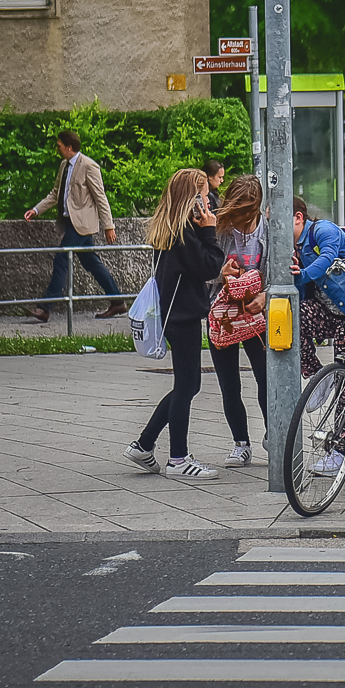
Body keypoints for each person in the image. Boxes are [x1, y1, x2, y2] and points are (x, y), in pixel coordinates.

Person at [123, 169, 226, 480]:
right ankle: (178, 458)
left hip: (175, 314)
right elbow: (209, 266)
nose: (210, 202)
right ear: (192, 199)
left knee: (187, 384)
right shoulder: (185, 234)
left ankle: (144, 443)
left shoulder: (172, 229)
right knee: (186, 386)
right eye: (206, 195)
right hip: (182, 316)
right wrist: (211, 231)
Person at [25, 129, 128, 322]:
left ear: (69, 147)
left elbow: (100, 197)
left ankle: (45, 308)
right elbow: (55, 194)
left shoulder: (89, 166)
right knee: (92, 264)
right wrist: (36, 210)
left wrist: (109, 225)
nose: (57, 148)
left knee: (61, 259)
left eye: (59, 146)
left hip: (81, 225)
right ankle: (117, 301)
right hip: (71, 224)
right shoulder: (64, 165)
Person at [207, 175, 271, 468]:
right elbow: (204, 272)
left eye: (249, 210)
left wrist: (266, 297)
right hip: (224, 316)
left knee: (266, 378)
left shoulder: (268, 230)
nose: (244, 217)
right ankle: (240, 443)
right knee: (228, 382)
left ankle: (275, 434)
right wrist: (222, 273)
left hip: (257, 316)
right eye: (238, 210)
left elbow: (283, 272)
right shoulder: (218, 231)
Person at [292, 195, 345, 379]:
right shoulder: (293, 248)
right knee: (293, 316)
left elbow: (327, 257)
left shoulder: (323, 230)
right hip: (331, 312)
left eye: (276, 219)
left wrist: (303, 273)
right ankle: (319, 379)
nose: (272, 228)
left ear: (298, 217)